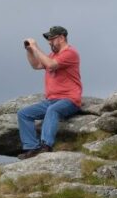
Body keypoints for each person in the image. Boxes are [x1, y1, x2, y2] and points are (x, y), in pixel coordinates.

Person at [17, 25, 82, 160]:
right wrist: (29, 50)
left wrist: (36, 47)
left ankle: (46, 146)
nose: (49, 42)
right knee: (24, 114)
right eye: (48, 39)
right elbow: (36, 65)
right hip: (51, 100)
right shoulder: (53, 55)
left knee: (52, 110)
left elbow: (51, 64)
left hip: (69, 99)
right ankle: (32, 148)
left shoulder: (70, 53)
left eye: (52, 39)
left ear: (62, 38)